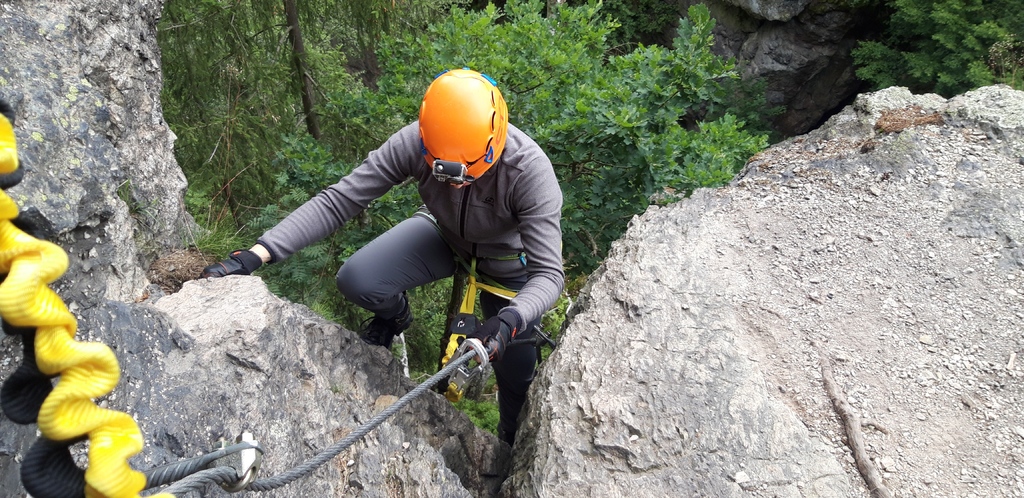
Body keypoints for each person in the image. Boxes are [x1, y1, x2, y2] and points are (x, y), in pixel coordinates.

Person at [201, 68, 564, 445]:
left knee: (516, 375)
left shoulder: (529, 172)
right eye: (446, 175)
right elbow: (342, 198)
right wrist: (259, 253)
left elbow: (549, 275)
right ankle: (394, 316)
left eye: (467, 174)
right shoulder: (417, 141)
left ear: (496, 139)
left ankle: (509, 442)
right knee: (358, 279)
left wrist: (510, 320)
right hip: (443, 235)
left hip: (507, 268)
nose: (455, 185)